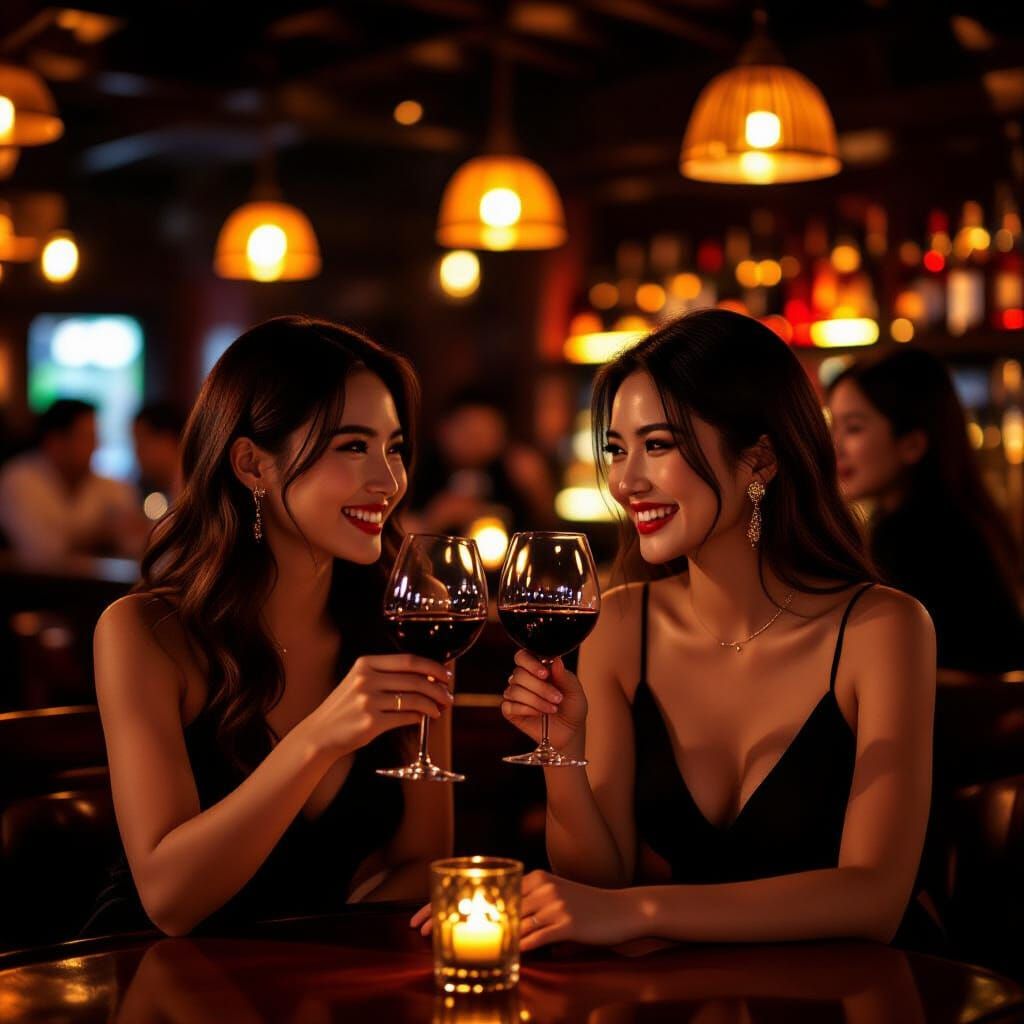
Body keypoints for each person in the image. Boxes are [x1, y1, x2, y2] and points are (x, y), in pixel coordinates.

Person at [415, 309, 937, 949]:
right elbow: (596, 887)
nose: (626, 481)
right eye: (616, 449)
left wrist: (645, 912)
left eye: (657, 445)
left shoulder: (883, 628)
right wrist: (563, 752)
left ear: (761, 458)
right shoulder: (620, 623)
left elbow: (874, 899)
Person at [84, 316, 455, 937]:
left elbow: (426, 862)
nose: (389, 481)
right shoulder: (144, 634)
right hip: (152, 977)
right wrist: (319, 739)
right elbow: (169, 899)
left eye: (393, 447)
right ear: (253, 465)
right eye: (352, 446)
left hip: (312, 982)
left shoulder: (411, 615)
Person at [828, 349, 1023, 673]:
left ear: (913, 444)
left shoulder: (920, 536)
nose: (835, 447)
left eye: (854, 429)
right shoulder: (960, 518)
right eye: (834, 426)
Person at [0, 398, 143, 563]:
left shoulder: (110, 485)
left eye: (95, 437)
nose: (96, 446)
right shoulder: (18, 480)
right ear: (55, 442)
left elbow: (135, 542)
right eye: (86, 438)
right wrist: (103, 533)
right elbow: (41, 549)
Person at [409, 388, 557, 536]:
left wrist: (537, 486)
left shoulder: (510, 471)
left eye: (486, 433)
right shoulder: (417, 470)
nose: (476, 441)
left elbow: (547, 527)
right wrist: (434, 519)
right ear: (443, 429)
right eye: (467, 431)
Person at [133, 401, 187, 499]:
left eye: (142, 443)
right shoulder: (167, 488)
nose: (137, 452)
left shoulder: (190, 489)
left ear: (167, 440)